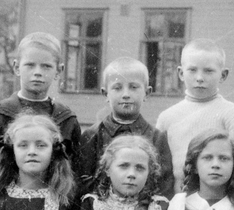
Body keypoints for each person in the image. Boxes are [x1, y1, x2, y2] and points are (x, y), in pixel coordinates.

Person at [0, 32, 82, 194]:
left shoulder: (66, 119)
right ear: (16, 67)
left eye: (46, 66)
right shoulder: (0, 115)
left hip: (55, 201)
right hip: (5, 201)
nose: (37, 72)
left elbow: (75, 173)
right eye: (30, 65)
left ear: (59, 71)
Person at [155, 39, 234, 195]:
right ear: (181, 73)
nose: (199, 77)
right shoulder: (167, 118)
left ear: (223, 75)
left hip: (222, 203)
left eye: (208, 71)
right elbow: (157, 168)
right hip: (177, 203)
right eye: (192, 70)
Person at [74, 56, 174, 198]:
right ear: (105, 94)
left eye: (133, 87)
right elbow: (82, 184)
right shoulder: (92, 136)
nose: (126, 95)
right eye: (117, 88)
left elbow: (164, 185)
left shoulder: (157, 137)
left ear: (147, 93)